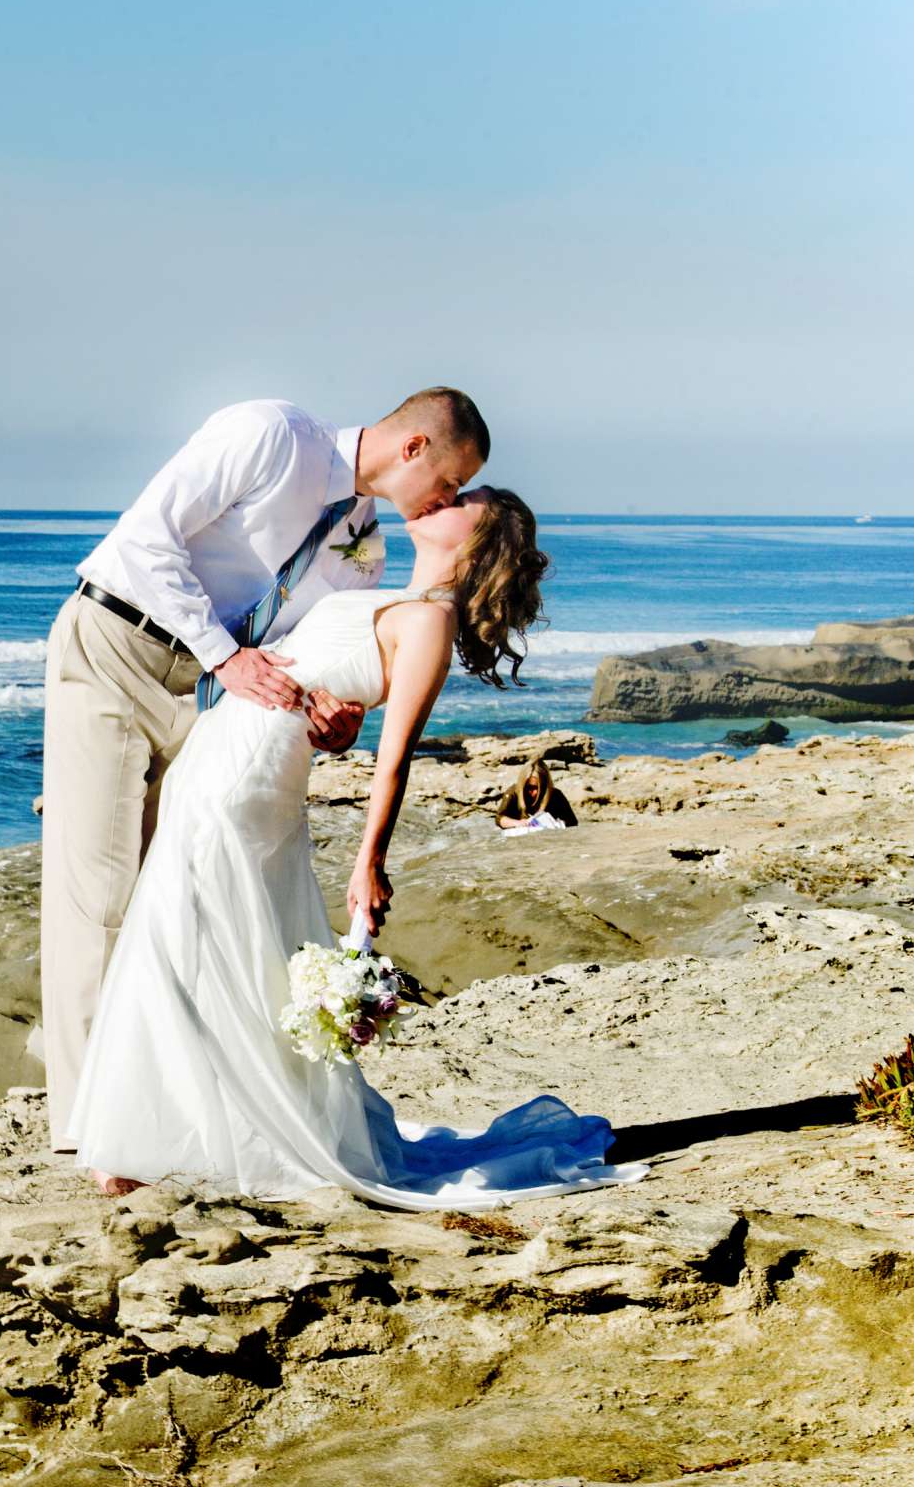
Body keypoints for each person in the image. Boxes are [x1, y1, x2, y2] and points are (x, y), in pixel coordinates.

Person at [66, 488, 643, 1209]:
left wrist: (369, 861)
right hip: (218, 757)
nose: (445, 496)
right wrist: (318, 706)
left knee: (186, 936)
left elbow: (394, 759)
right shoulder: (374, 585)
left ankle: (138, 1150)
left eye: (465, 500)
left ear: (473, 543)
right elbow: (301, 665)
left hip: (247, 784)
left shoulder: (429, 622)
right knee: (196, 941)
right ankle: (176, 1134)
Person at [40, 388, 489, 1155]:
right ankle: (88, 1131)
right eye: (448, 484)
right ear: (413, 448)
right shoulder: (271, 436)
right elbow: (148, 539)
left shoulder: (364, 550)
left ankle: (167, 1110)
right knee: (102, 894)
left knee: (175, 895)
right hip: (118, 644)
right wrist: (227, 656)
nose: (447, 500)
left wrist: (332, 721)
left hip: (214, 700)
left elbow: (306, 656)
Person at [494, 755, 578, 831]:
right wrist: (518, 823)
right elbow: (499, 818)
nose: (535, 792)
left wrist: (556, 825)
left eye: (541, 788)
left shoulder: (556, 795)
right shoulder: (513, 793)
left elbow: (572, 822)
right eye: (530, 787)